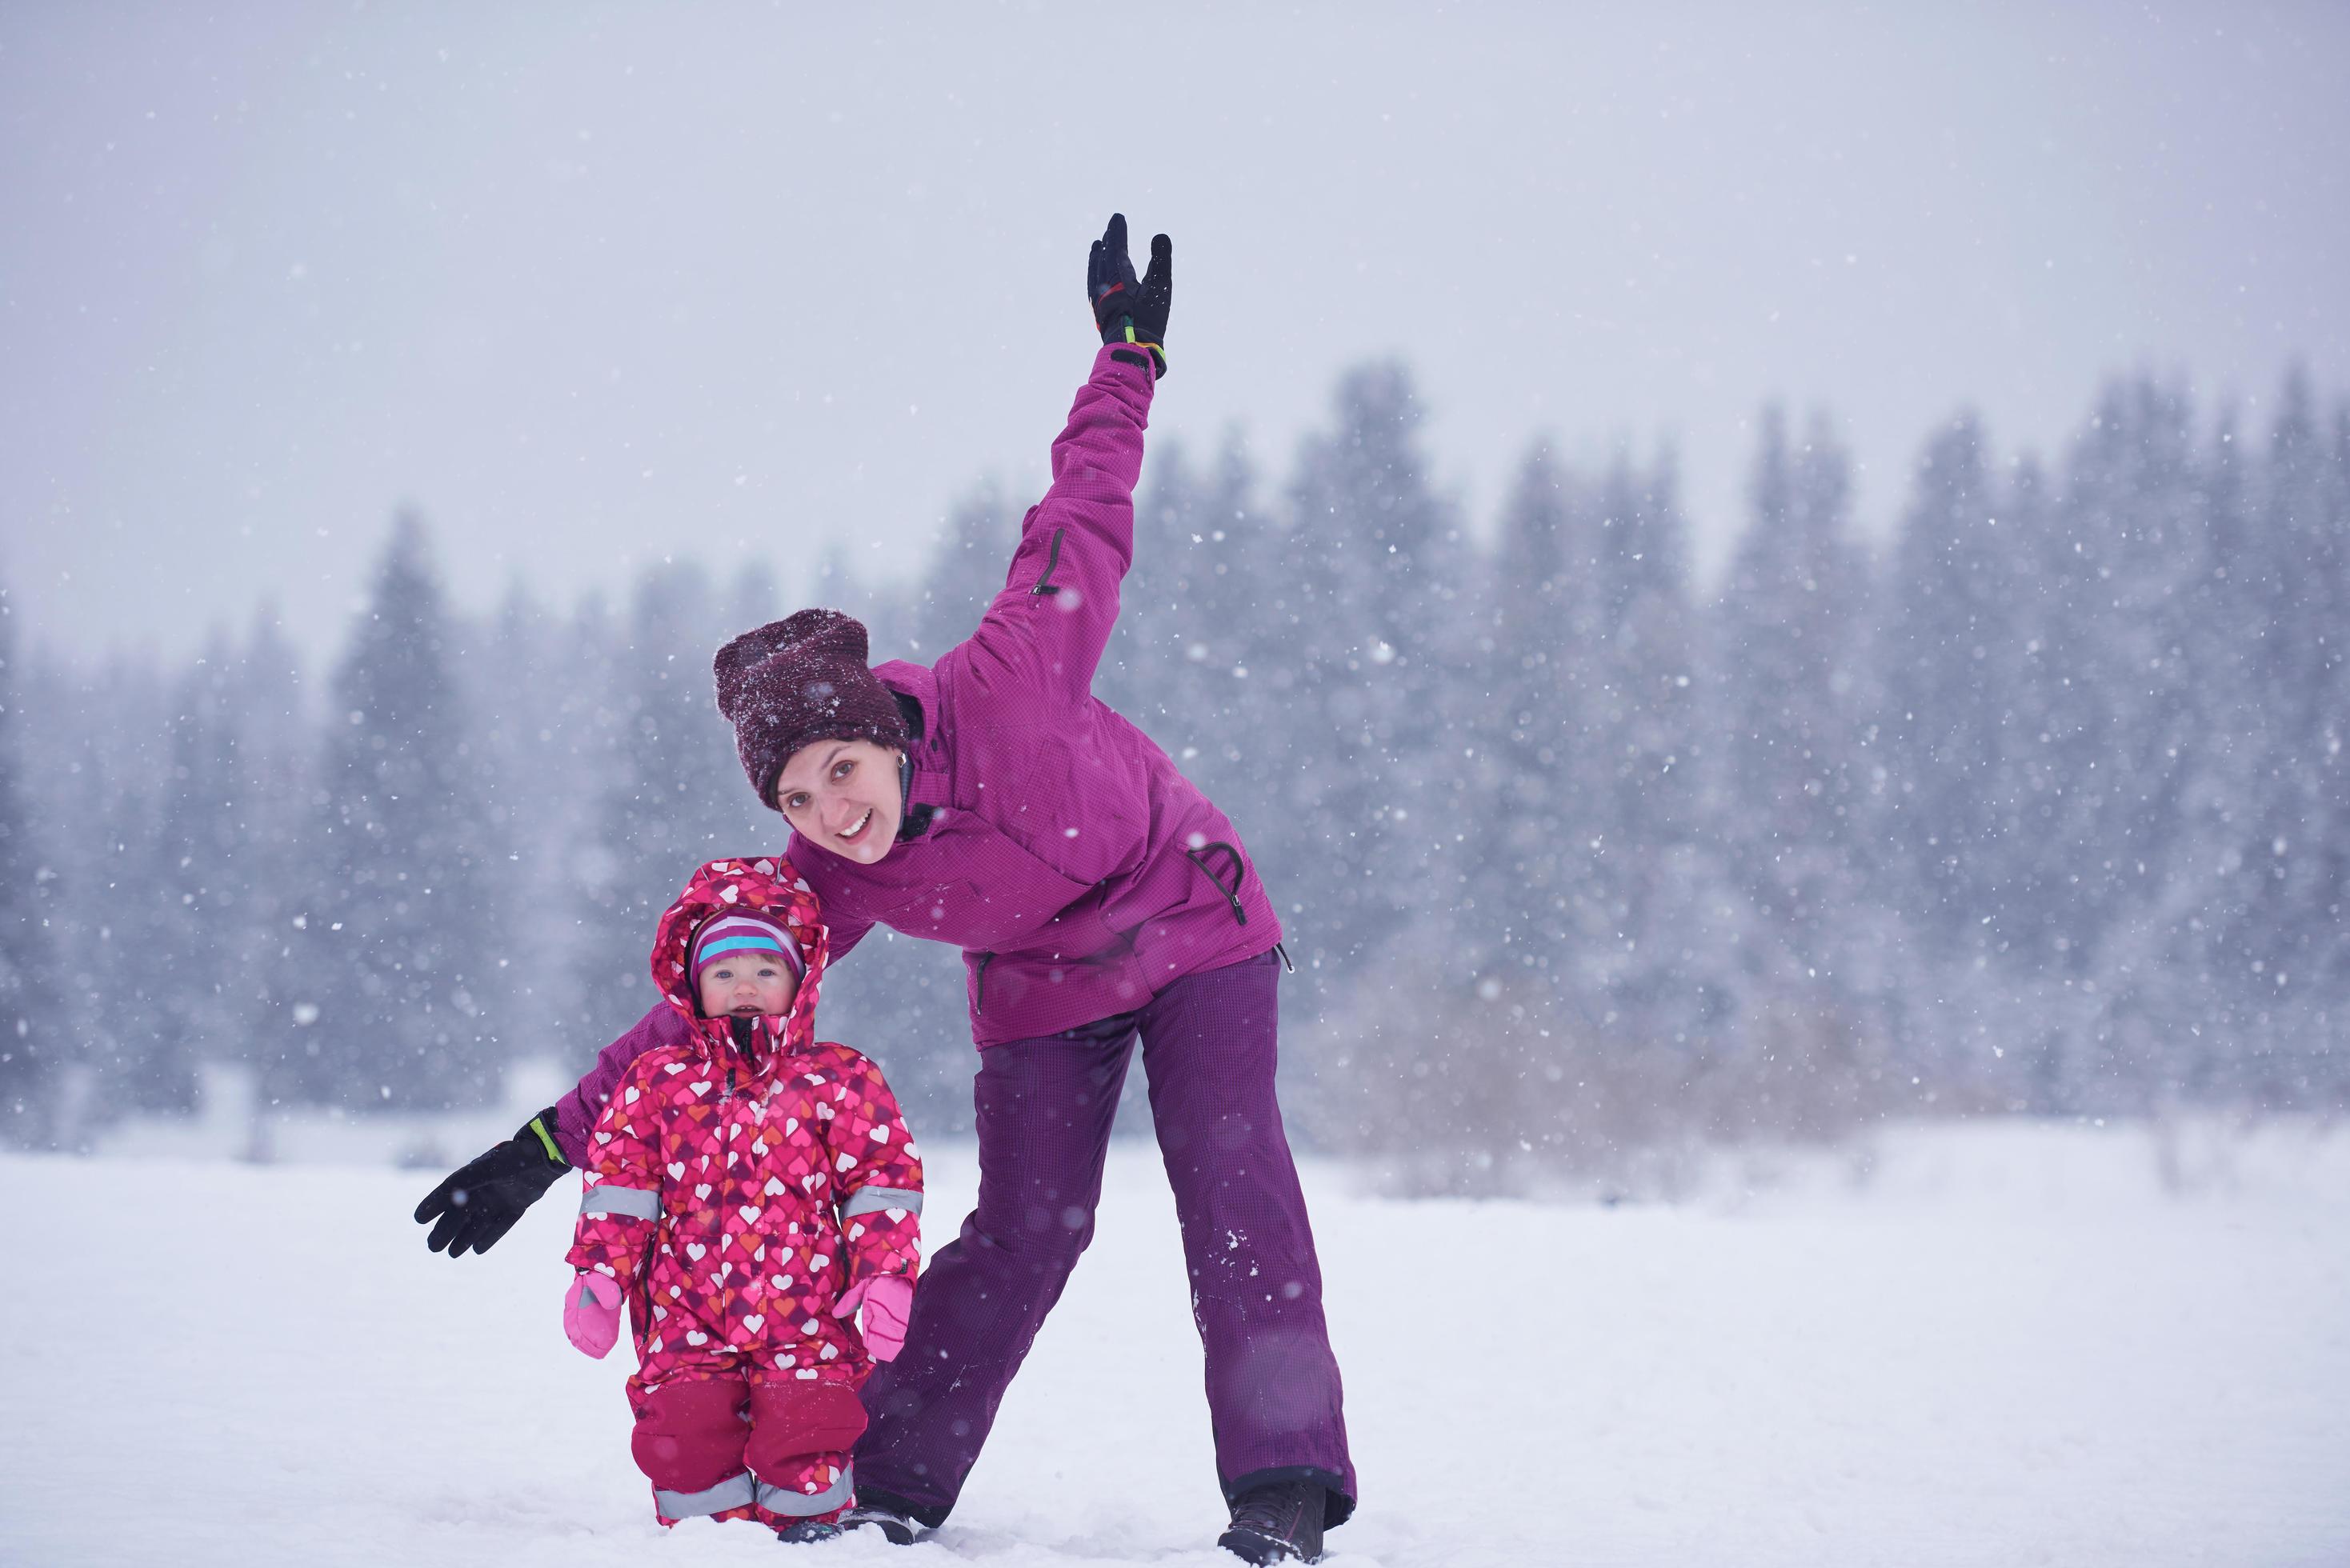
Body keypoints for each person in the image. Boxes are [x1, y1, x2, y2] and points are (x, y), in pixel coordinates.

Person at [417, 214, 1353, 1566]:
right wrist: (546, 1145)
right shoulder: (826, 880)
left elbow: (1082, 510)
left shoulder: (1010, 674)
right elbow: (707, 1007)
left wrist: (1128, 359)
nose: (830, 816)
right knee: (1025, 1232)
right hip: (1039, 989)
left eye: (840, 772)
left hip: (1191, 924)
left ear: (887, 733)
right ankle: (891, 1480)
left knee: (1233, 1179)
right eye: (795, 800)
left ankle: (1283, 1485)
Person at [556, 856, 923, 1542]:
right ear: (693, 987)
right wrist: (601, 1276)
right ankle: (707, 1539)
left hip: (807, 1314)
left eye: (764, 971)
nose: (744, 987)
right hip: (684, 1310)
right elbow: (620, 1189)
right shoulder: (656, 1081)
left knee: (810, 1423)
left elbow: (881, 1183)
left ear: (799, 980)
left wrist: (884, 1272)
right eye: (723, 974)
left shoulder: (839, 1078)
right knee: (684, 1432)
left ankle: (811, 1533)